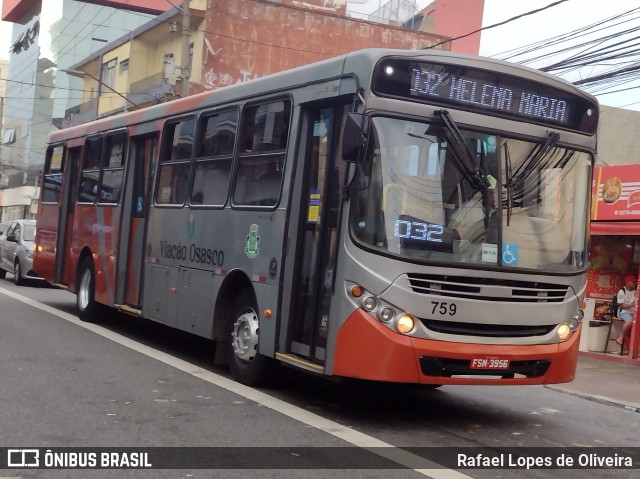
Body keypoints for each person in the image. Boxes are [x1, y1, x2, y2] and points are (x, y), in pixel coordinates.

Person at [616, 274, 636, 345]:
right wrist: (633, 305)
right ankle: (621, 336)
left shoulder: (635, 291)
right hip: (623, 312)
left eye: (635, 282)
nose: (635, 283)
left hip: (633, 313)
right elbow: (622, 306)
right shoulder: (622, 291)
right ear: (627, 282)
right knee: (630, 321)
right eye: (633, 282)